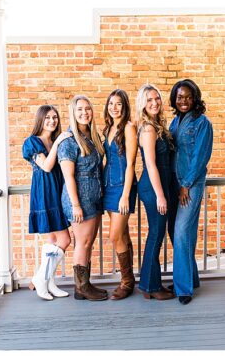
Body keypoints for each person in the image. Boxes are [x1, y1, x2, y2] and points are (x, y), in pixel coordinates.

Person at [58, 95, 107, 301]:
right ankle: (80, 288)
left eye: (87, 109)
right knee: (83, 243)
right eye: (79, 110)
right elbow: (68, 175)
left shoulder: (93, 137)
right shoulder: (69, 140)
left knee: (88, 242)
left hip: (94, 195)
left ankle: (86, 284)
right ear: (73, 112)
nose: (84, 113)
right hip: (79, 199)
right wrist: (76, 205)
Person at [23, 105, 73, 301]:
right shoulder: (32, 142)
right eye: (48, 118)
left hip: (58, 191)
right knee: (65, 240)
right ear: (40, 120)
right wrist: (59, 140)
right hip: (45, 193)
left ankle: (49, 282)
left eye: (55, 117)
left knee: (52, 241)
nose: (52, 121)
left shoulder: (54, 142)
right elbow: (46, 166)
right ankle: (40, 279)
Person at [169, 79, 212, 305]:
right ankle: (189, 278)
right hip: (175, 185)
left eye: (187, 96)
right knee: (187, 232)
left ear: (194, 98)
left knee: (181, 232)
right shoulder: (175, 122)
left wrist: (186, 184)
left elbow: (200, 157)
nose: (183, 100)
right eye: (179, 97)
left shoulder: (202, 123)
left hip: (190, 185)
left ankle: (183, 289)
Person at [135, 84, 177, 301]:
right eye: (149, 100)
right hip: (153, 187)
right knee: (156, 234)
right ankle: (150, 286)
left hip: (161, 185)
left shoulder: (157, 124)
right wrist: (161, 195)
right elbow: (150, 165)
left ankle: (150, 283)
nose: (154, 103)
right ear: (142, 104)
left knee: (156, 233)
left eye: (157, 99)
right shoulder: (148, 129)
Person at [101, 89, 139, 300]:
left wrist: (125, 194)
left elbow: (131, 162)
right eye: (111, 104)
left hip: (122, 187)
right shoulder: (109, 127)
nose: (114, 108)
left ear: (124, 107)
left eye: (118, 104)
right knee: (122, 235)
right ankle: (130, 279)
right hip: (108, 185)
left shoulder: (129, 127)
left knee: (114, 236)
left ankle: (126, 282)